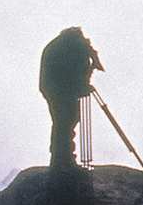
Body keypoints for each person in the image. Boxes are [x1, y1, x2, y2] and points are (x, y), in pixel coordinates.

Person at [39, 26, 104, 167]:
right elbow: (76, 74)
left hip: (51, 90)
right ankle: (64, 159)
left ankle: (60, 157)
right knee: (67, 121)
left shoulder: (57, 45)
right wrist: (84, 84)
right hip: (63, 90)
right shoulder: (76, 48)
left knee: (61, 122)